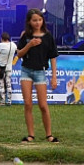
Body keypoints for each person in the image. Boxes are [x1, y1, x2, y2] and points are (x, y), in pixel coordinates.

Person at [15, 9, 59, 142]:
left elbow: (53, 57)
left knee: (43, 105)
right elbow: (19, 54)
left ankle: (49, 135)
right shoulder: (25, 36)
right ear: (29, 21)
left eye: (40, 20)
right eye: (34, 20)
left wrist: (54, 77)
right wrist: (29, 45)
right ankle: (30, 135)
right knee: (28, 104)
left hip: (40, 71)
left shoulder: (48, 36)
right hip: (26, 70)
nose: (37, 23)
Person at [0, 32, 17, 105]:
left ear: (2, 38)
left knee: (1, 84)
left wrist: (1, 54)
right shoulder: (13, 45)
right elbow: (17, 52)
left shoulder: (1, 45)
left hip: (1, 66)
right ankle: (9, 101)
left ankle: (2, 101)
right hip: (9, 66)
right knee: (8, 83)